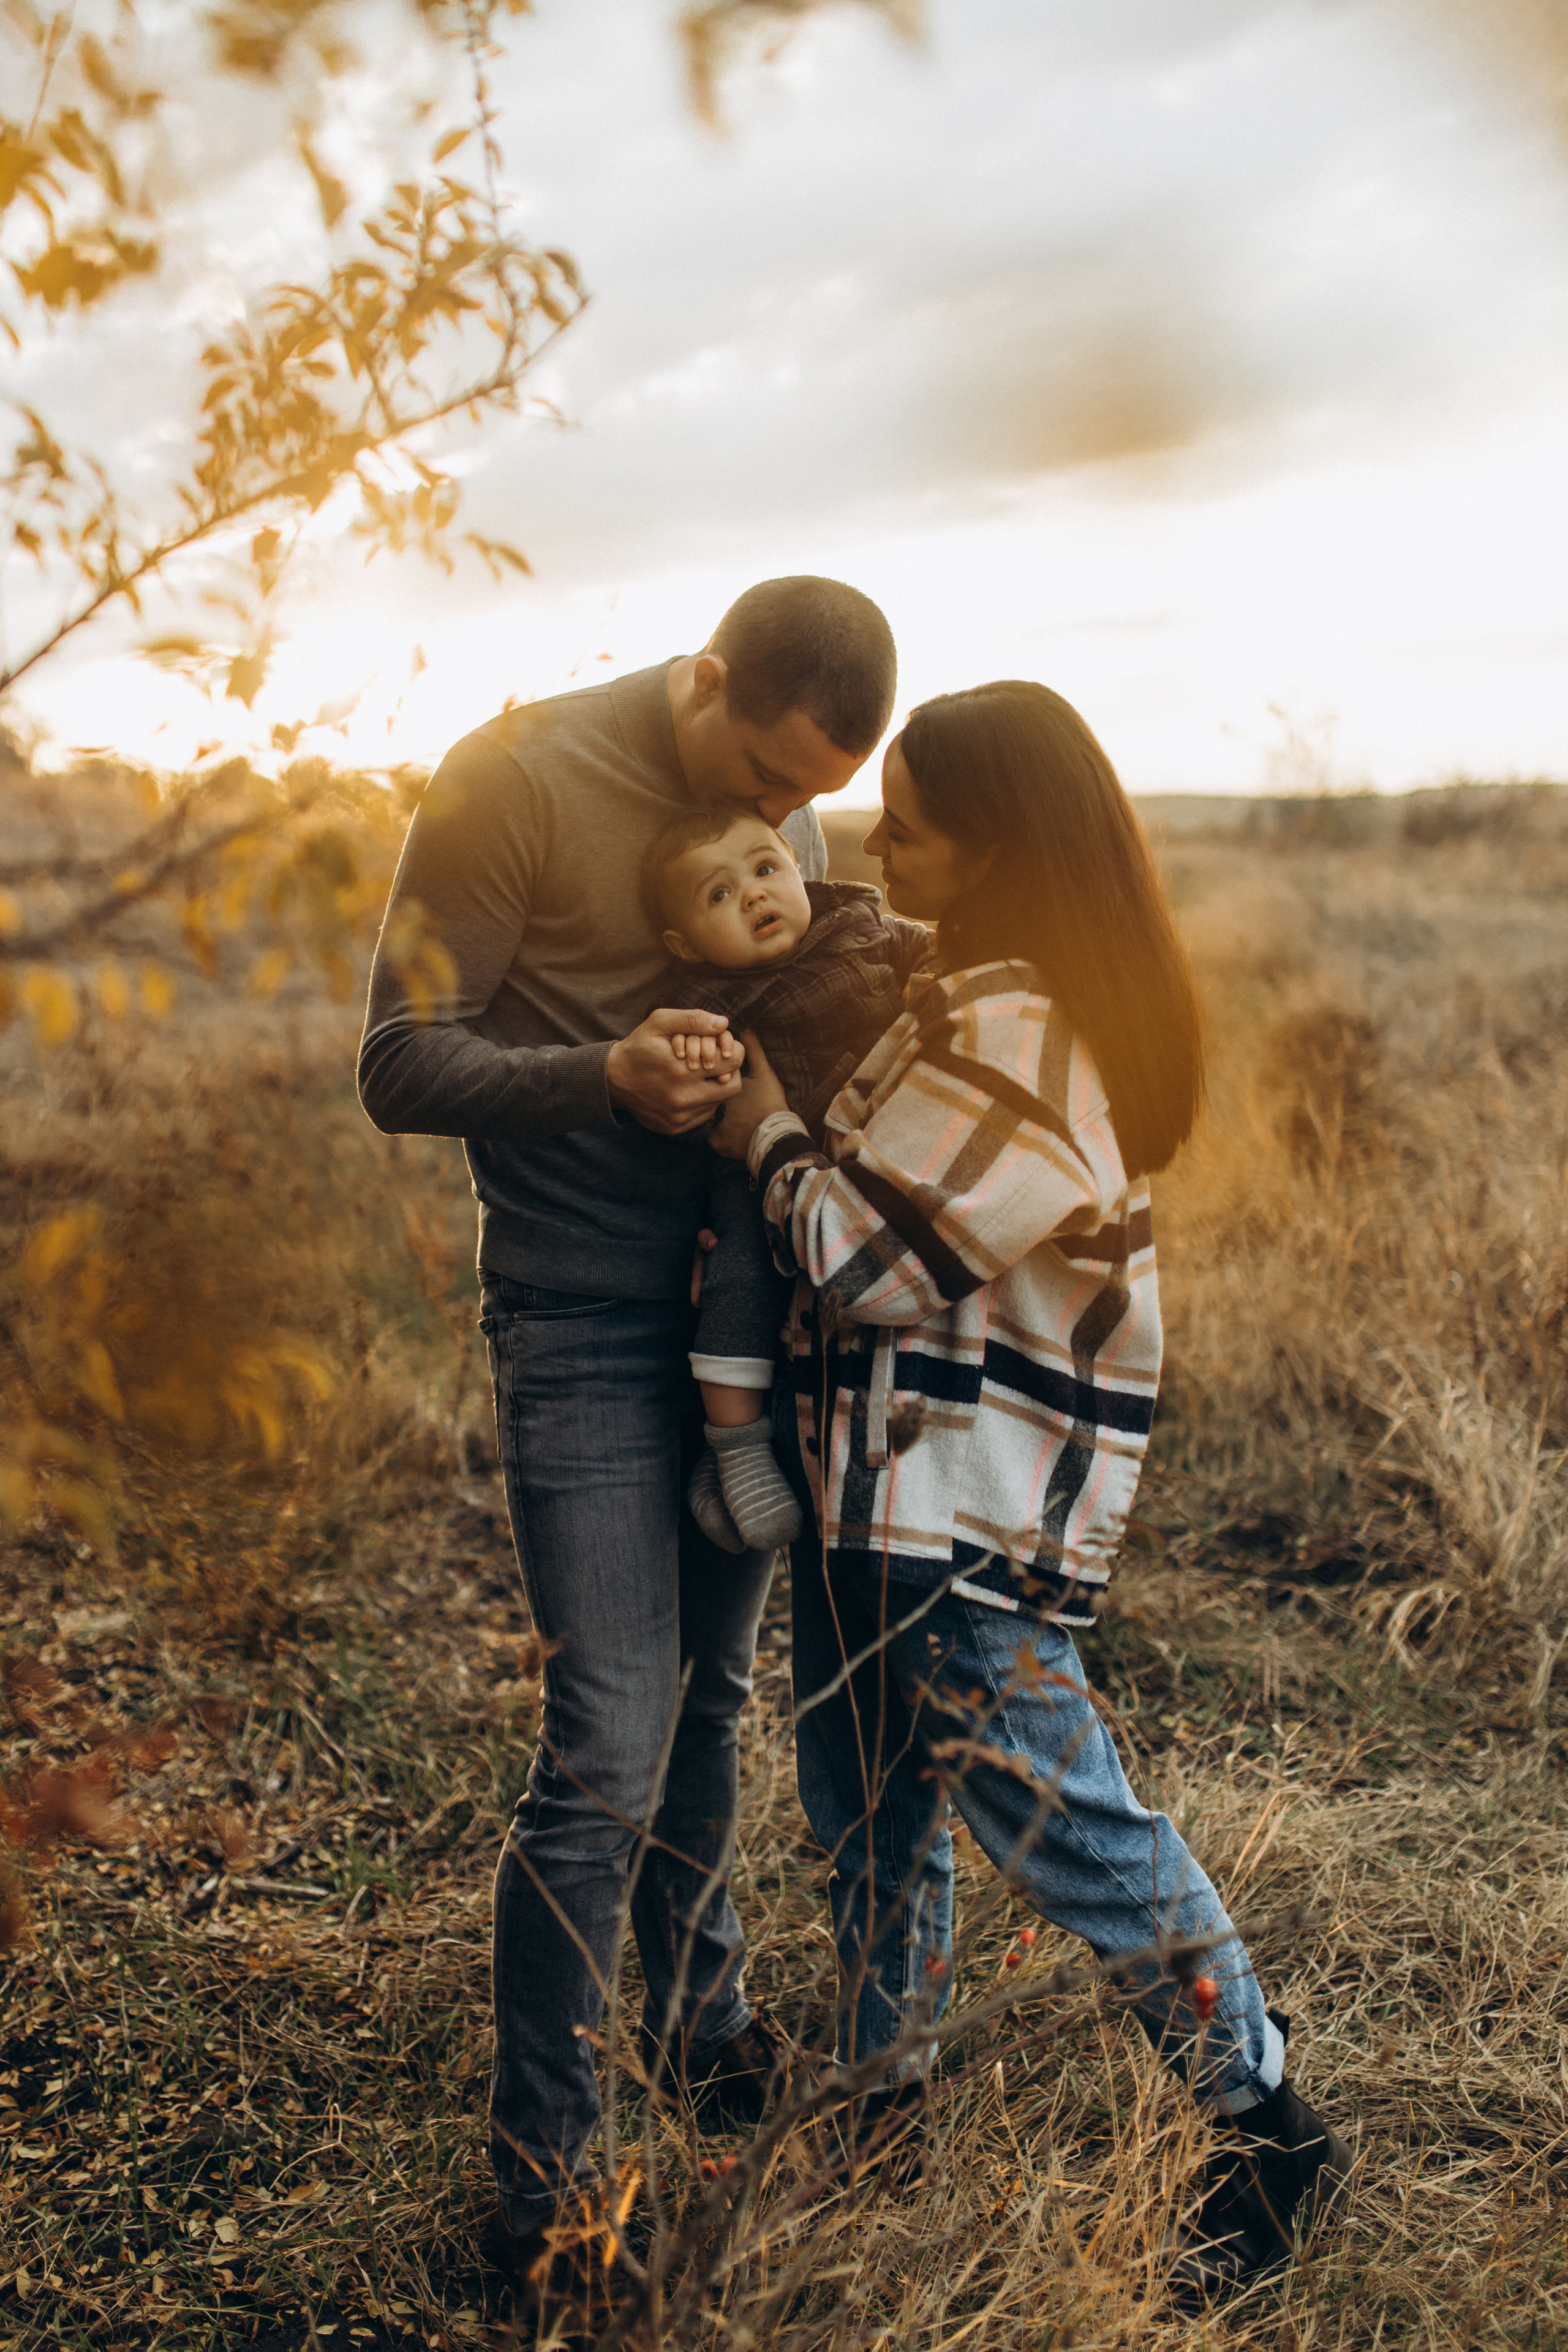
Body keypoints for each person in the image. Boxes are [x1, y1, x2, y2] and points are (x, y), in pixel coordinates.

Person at [708, 679, 1353, 2299]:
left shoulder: (1020, 1034)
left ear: (998, 848)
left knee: (1080, 1842)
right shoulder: (959, 997)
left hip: (954, 1516)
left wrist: (764, 1132)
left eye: (909, 828)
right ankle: (884, 2100)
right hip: (875, 1497)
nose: (871, 846)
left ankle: (1266, 2132)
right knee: (871, 1822)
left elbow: (867, 1261)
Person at [355, 578, 898, 2288]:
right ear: (705, 677)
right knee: (604, 1743)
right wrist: (601, 1076)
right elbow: (396, 1061)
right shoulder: (508, 779)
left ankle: (700, 2016)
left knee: (712, 1698)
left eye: (807, 799)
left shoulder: (779, 806)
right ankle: (546, 2187)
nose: (780, 820)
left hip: (753, 1323)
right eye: (763, 774)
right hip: (582, 1323)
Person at [640, 801, 933, 1554]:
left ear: (798, 868)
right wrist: (706, 1061)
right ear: (685, 944)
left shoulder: (861, 928)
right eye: (719, 894)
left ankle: (732, 1461)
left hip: (859, 1167)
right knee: (738, 1276)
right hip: (753, 1173)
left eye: (765, 869)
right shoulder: (707, 1000)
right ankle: (736, 1449)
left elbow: (934, 957)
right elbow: (684, 1088)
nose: (754, 896)